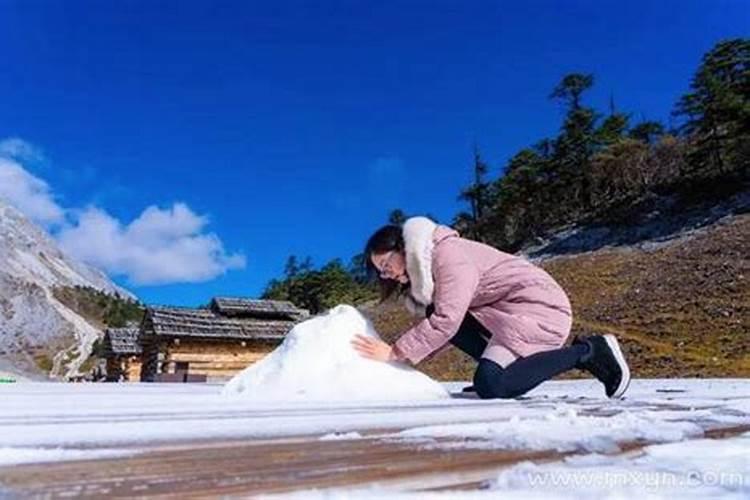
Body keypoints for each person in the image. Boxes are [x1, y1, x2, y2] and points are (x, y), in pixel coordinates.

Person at [351, 216, 630, 399]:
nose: (386, 275)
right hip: (509, 317)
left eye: (386, 265)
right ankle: (498, 368)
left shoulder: (448, 257)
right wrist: (404, 361)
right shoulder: (433, 266)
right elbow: (447, 324)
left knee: (491, 385)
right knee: (433, 312)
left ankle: (589, 351)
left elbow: (447, 320)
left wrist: (396, 352)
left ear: (404, 249)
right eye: (381, 272)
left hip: (540, 310)